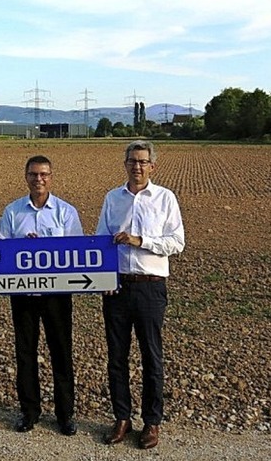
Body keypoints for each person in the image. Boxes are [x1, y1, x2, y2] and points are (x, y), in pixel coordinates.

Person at [96, 140, 185, 449]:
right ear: (126, 164)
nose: (137, 166)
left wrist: (141, 240)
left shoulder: (165, 199)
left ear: (152, 167)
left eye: (143, 161)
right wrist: (103, 277)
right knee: (116, 358)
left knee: (151, 357)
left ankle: (151, 422)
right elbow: (100, 241)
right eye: (132, 161)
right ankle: (121, 418)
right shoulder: (112, 198)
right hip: (117, 287)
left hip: (150, 286)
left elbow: (177, 242)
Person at [0, 155, 83, 436]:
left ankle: (65, 414)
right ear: (26, 177)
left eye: (44, 174)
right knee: (25, 353)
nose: (39, 179)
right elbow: (1, 250)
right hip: (23, 293)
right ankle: (29, 411)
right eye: (33, 174)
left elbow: (76, 252)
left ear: (51, 176)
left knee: (61, 352)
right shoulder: (12, 213)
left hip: (57, 295)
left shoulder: (66, 212)